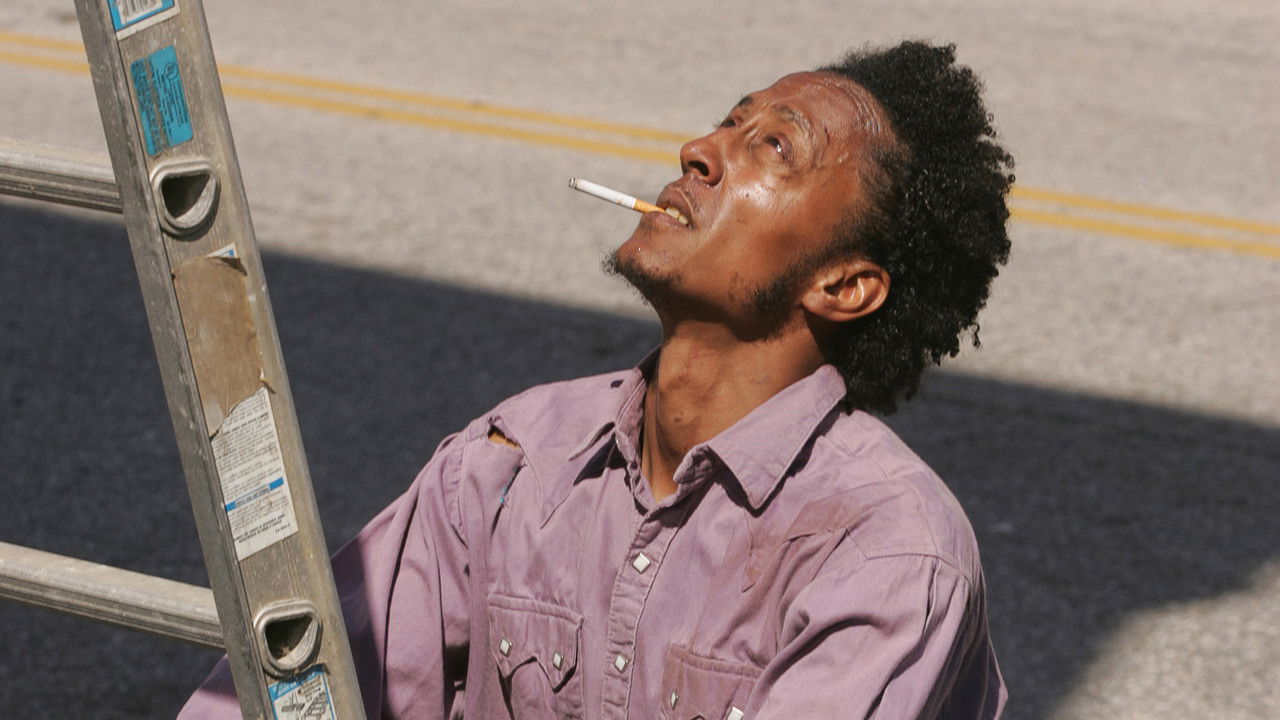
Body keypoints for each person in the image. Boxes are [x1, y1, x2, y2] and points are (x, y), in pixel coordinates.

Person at [180, 40, 1013, 719]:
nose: (699, 152)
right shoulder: (514, 458)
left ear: (843, 286)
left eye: (775, 147)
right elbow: (305, 683)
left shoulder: (887, 552)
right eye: (730, 121)